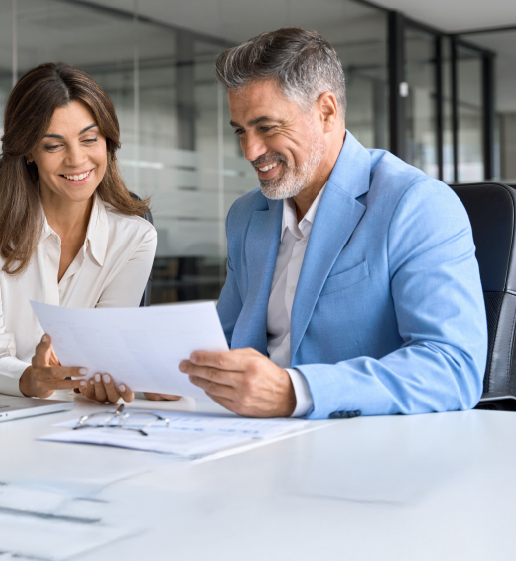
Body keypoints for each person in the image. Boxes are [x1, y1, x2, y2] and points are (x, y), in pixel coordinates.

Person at [180, 28, 487, 419]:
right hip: (252, 437)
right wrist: (158, 378)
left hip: (363, 447)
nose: (250, 151)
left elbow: (453, 366)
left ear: (326, 111)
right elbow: (221, 344)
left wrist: (297, 392)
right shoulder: (247, 216)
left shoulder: (415, 204)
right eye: (241, 131)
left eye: (267, 127)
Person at [0, 62, 156, 403]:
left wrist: (125, 376)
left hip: (70, 415)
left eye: (89, 139)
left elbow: (102, 356)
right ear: (28, 151)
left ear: (108, 141)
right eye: (54, 146)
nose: (77, 159)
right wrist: (30, 379)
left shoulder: (136, 236)